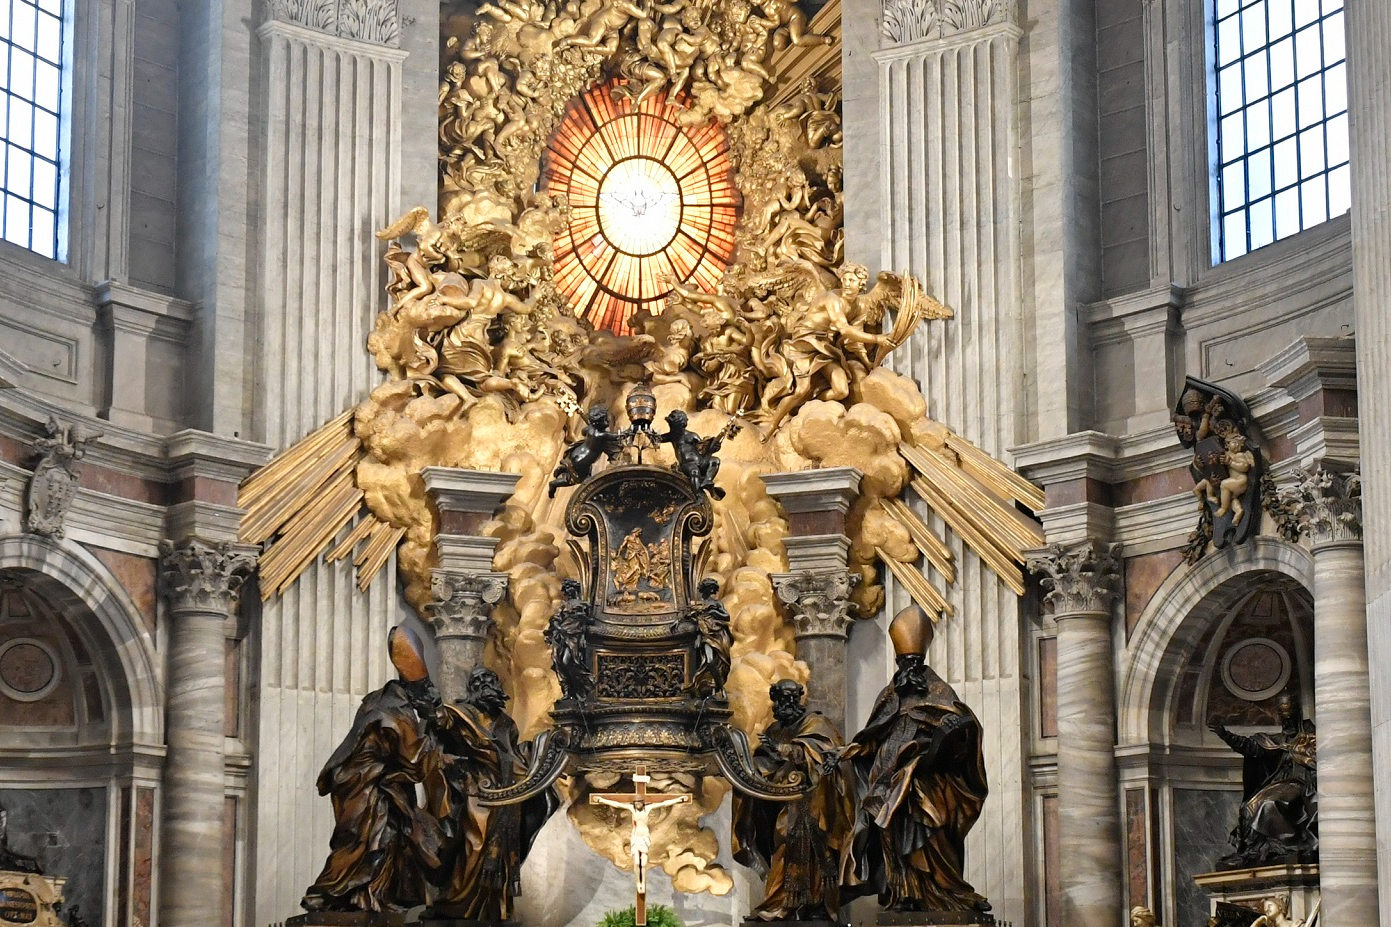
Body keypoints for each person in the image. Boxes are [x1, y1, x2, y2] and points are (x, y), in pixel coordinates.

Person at [841, 607, 992, 915]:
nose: (908, 668)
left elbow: (964, 727)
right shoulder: (889, 696)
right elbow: (871, 736)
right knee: (892, 840)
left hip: (927, 782)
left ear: (922, 664)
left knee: (931, 833)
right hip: (887, 782)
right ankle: (904, 895)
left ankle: (946, 890)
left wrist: (947, 736)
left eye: (913, 662)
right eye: (903, 662)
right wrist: (853, 752)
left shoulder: (939, 692)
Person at [301, 674, 450, 912]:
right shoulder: (394, 714)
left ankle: (370, 896)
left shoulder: (381, 700)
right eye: (427, 705)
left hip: (368, 782)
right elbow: (413, 760)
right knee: (360, 841)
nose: (425, 711)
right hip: (364, 785)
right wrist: (441, 752)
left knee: (386, 838)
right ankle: (326, 892)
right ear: (418, 695)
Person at [431, 668, 559, 920]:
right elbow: (437, 730)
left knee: (502, 850)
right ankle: (458, 902)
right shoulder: (460, 715)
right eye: (480, 681)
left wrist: (540, 753)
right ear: (472, 688)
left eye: (491, 680)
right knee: (474, 844)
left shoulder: (505, 724)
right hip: (475, 790)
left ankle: (493, 907)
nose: (487, 684)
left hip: (506, 795)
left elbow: (513, 756)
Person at [733, 680, 853, 921]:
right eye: (781, 699)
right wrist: (751, 771)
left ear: (799, 698)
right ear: (774, 701)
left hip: (814, 806)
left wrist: (785, 751)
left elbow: (822, 753)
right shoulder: (774, 730)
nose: (787, 704)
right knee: (782, 850)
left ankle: (816, 907)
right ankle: (780, 903)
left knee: (816, 858)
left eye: (791, 698)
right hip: (784, 805)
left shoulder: (815, 722)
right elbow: (764, 762)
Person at [1209, 694, 1318, 867]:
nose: (1287, 724)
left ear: (1297, 715)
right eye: (1284, 719)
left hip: (1301, 785)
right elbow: (1250, 747)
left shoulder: (1309, 738)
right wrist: (1226, 735)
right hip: (1280, 785)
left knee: (1268, 805)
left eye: (1289, 718)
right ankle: (1253, 850)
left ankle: (1281, 846)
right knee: (1248, 807)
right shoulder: (1277, 741)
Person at [675, 578, 732, 698]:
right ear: (704, 589)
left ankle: (719, 688)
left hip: (716, 633)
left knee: (714, 661)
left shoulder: (716, 603)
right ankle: (713, 687)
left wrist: (713, 612)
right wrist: (677, 622)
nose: (710, 590)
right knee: (709, 660)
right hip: (703, 635)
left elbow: (726, 616)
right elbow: (687, 615)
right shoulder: (697, 604)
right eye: (708, 587)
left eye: (712, 588)